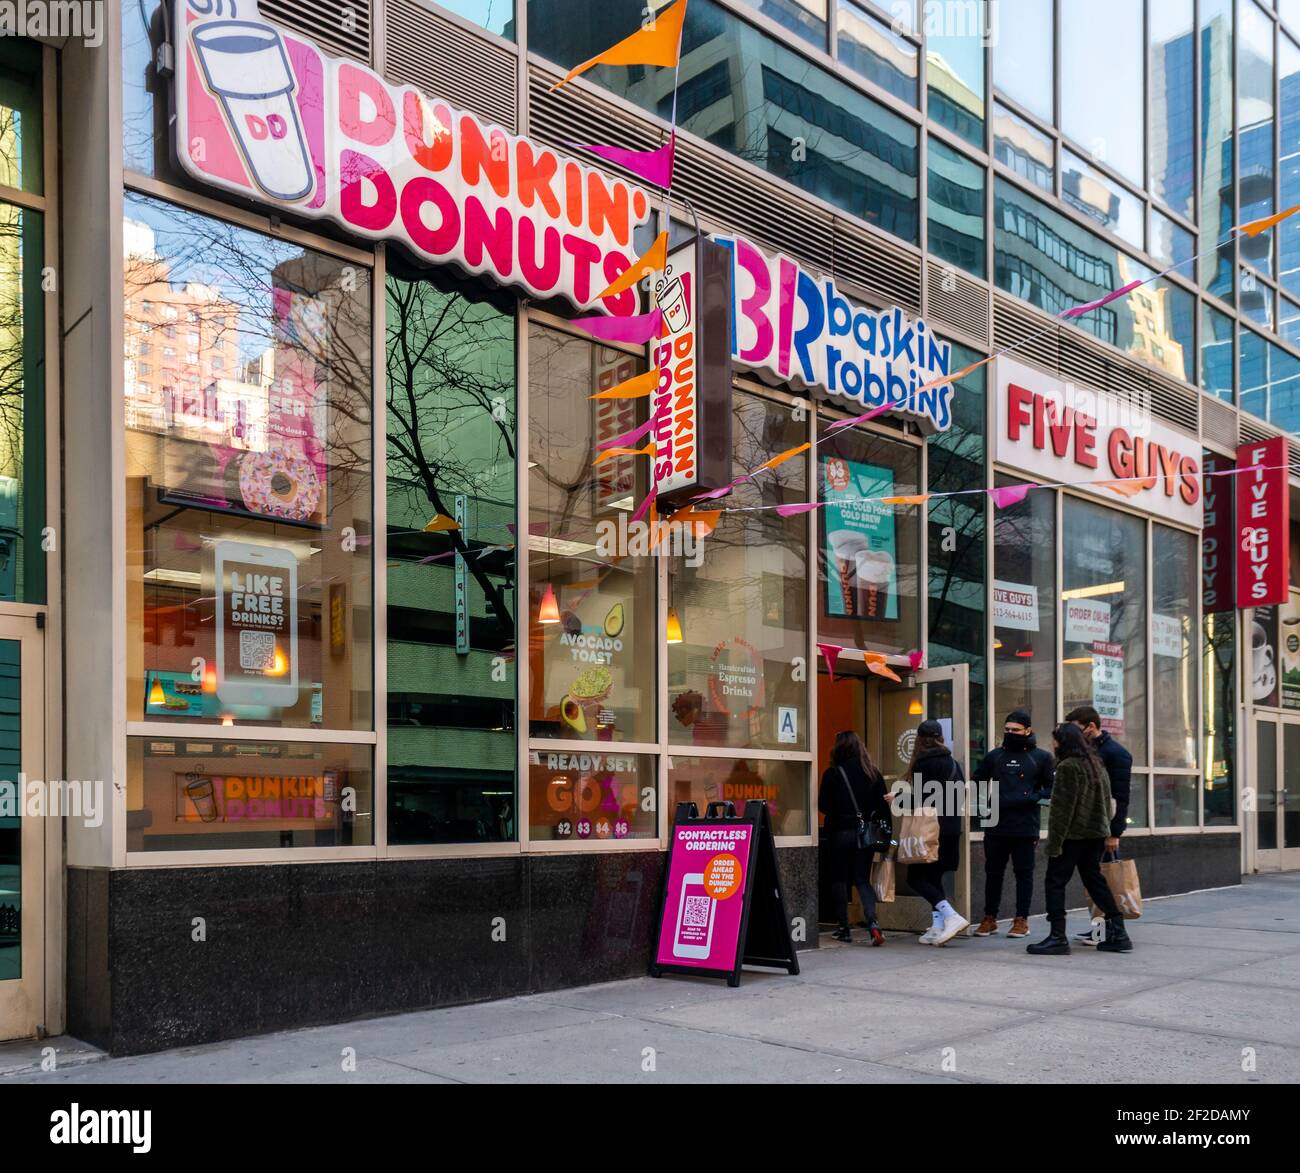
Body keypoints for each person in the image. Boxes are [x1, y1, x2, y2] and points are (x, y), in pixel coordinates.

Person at [1026, 723, 1134, 956]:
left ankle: (1057, 936)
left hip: (1072, 836)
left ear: (1062, 742)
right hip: (1095, 835)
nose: (1052, 744)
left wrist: (1054, 844)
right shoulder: (1096, 764)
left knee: (1055, 883)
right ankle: (1119, 933)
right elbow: (1107, 802)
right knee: (1094, 880)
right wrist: (1105, 830)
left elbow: (1062, 811)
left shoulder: (1067, 767)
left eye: (1055, 739)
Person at [972, 709, 1054, 939]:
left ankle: (1021, 920)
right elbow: (978, 781)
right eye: (1007, 729)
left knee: (1024, 874)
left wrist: (1030, 798)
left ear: (1028, 730)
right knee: (993, 873)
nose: (1010, 733)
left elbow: (1051, 789)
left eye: (1015, 730)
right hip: (995, 824)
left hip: (1026, 826)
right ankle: (989, 918)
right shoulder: (994, 756)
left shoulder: (1042, 757)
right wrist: (985, 806)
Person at [1065, 705, 1132, 946]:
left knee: (1103, 882)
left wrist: (1115, 833)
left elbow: (1121, 797)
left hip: (1103, 829)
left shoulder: (1116, 753)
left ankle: (1111, 932)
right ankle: (1100, 931)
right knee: (1094, 882)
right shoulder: (1085, 751)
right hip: (1087, 828)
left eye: (1076, 729)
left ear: (1091, 726)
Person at [818, 731, 891, 945]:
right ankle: (873, 924)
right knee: (862, 879)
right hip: (864, 834)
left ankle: (844, 928)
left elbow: (823, 806)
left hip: (839, 833)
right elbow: (882, 806)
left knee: (839, 879)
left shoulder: (833, 773)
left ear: (837, 748)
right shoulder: (873, 773)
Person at [902, 719, 970, 945]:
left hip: (931, 829)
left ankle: (951, 916)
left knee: (915, 878)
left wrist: (898, 798)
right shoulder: (953, 763)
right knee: (934, 877)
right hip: (951, 828)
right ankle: (937, 926)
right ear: (940, 737)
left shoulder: (924, 763)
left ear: (919, 739)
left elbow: (922, 799)